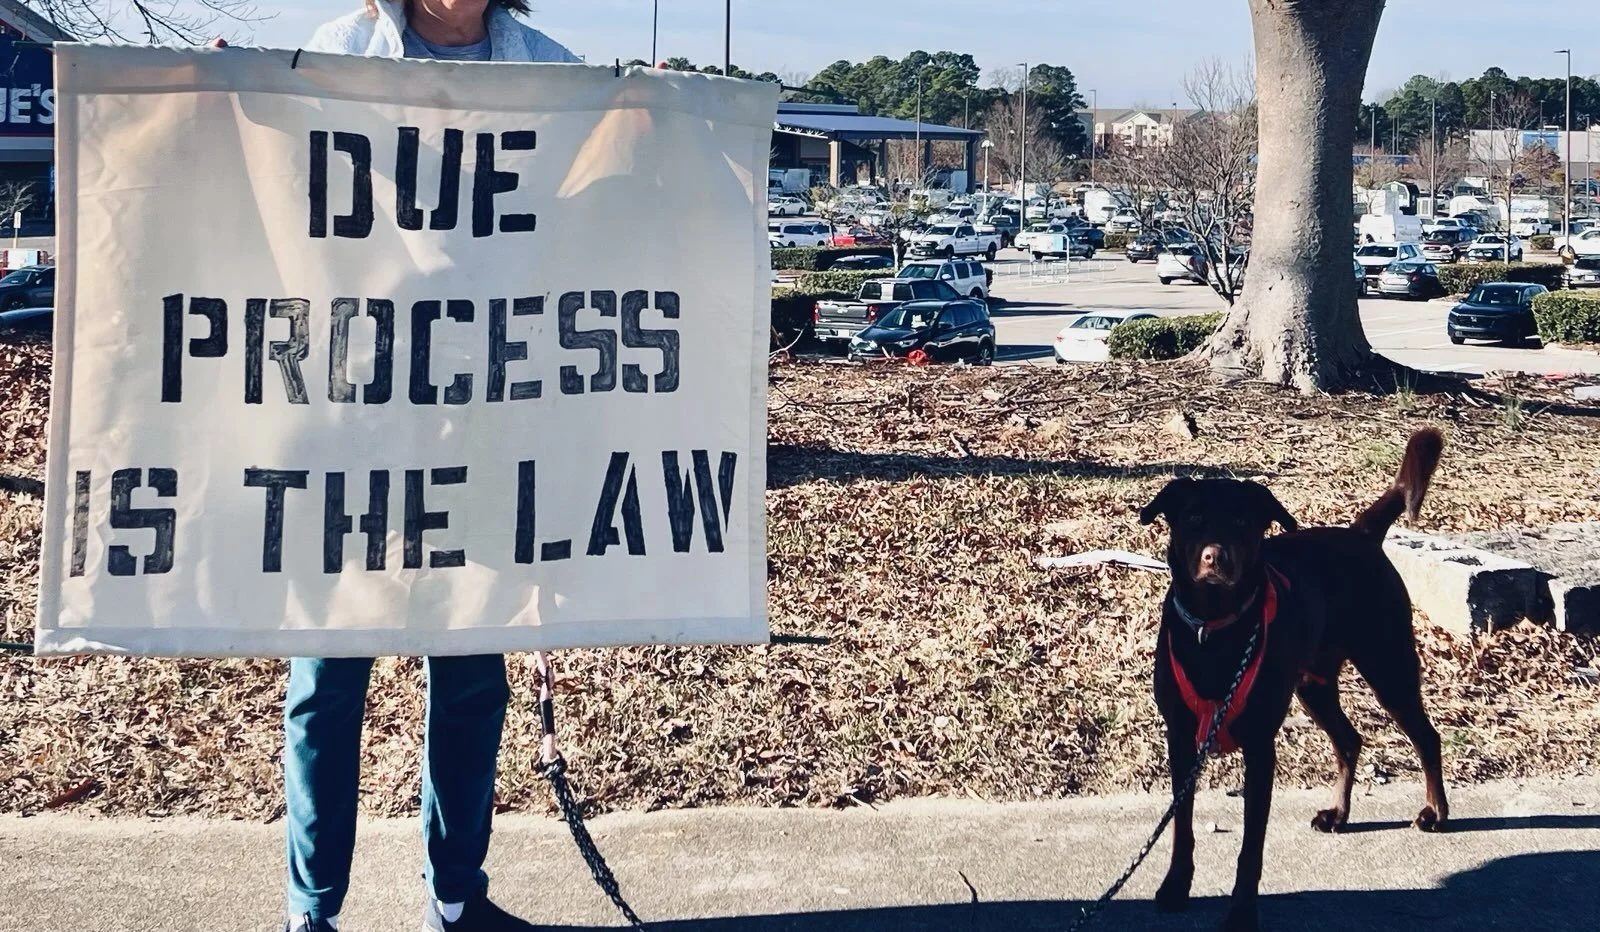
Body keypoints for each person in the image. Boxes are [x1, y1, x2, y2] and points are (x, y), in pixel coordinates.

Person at [276, 4, 578, 931]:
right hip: (351, 410)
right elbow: (278, 189)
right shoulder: (335, 52)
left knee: (471, 675)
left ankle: (456, 897)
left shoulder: (551, 70)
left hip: (482, 412)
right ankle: (312, 911)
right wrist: (219, 103)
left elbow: (588, 215)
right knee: (327, 679)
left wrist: (649, 113)